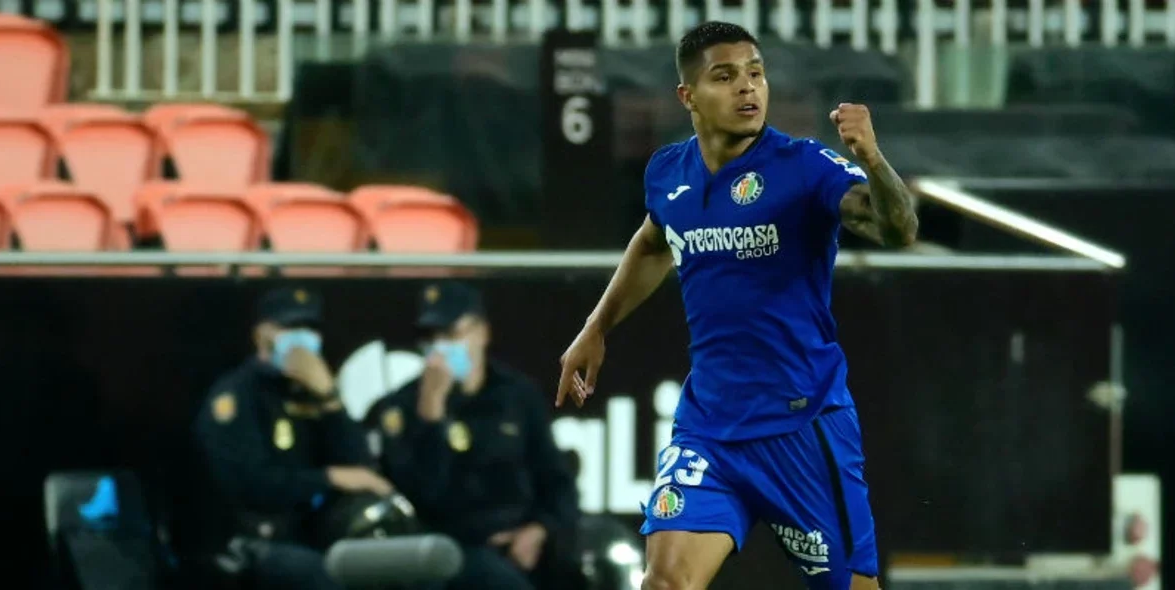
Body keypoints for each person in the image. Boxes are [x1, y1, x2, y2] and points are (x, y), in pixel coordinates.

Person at [554, 21, 918, 590]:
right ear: (688, 96)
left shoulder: (804, 166)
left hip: (801, 426)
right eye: (724, 77)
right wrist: (596, 327)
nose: (748, 87)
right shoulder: (668, 172)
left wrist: (873, 160)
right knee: (665, 582)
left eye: (756, 73)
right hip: (709, 428)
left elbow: (897, 230)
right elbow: (653, 242)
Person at [365, 281, 584, 590]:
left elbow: (556, 479)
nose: (440, 347)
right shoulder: (401, 407)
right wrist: (431, 415)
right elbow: (421, 496)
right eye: (431, 337)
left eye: (450, 334)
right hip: (447, 548)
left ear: (481, 332)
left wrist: (539, 529)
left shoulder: (517, 396)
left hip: (520, 540)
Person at [189, 286, 395, 590]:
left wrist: (329, 398)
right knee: (321, 576)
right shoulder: (237, 396)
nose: (302, 338)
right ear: (262, 334)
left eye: (309, 327)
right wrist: (329, 478)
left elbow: (360, 465)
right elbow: (250, 484)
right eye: (290, 327)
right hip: (254, 538)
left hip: (319, 533)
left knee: (392, 567)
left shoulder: (313, 392)